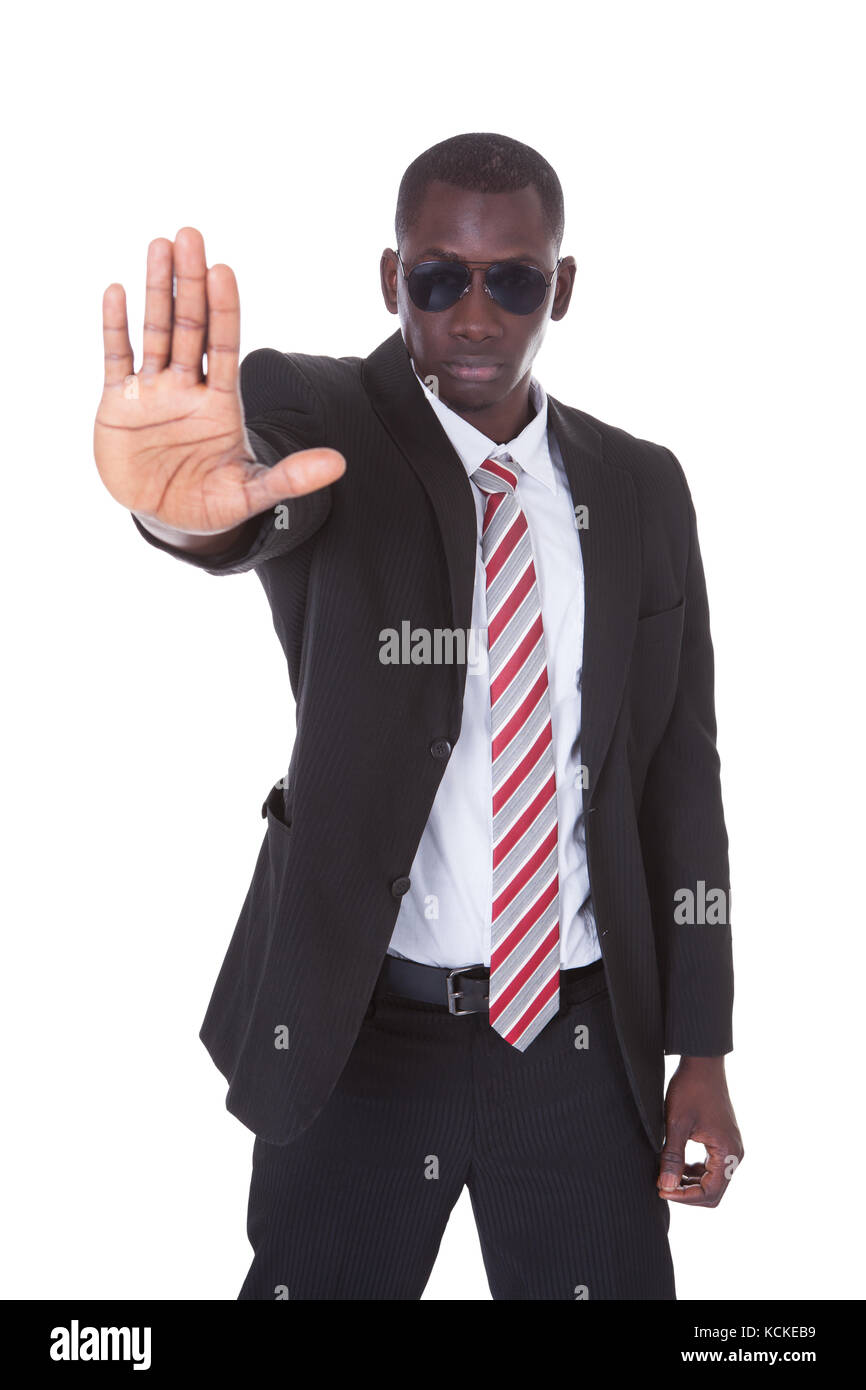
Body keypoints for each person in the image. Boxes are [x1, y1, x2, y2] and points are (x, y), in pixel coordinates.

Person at [93, 132, 743, 1301]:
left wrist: (700, 1044)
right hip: (358, 1030)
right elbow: (248, 506)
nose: (475, 316)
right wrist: (185, 518)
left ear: (563, 287)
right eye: (439, 277)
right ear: (391, 280)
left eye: (515, 280)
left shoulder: (641, 486)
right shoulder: (319, 413)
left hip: (576, 1039)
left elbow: (677, 782)